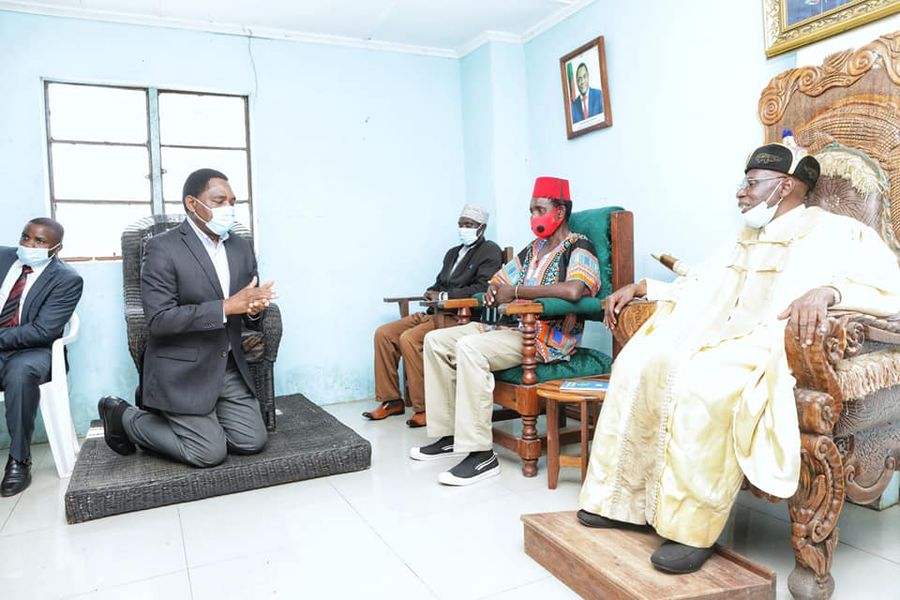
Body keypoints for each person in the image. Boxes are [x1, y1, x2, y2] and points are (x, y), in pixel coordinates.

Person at [577, 140, 900, 574]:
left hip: (769, 341)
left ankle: (690, 529)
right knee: (638, 363)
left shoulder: (837, 231)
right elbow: (702, 283)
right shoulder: (747, 236)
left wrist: (830, 292)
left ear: (784, 186)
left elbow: (889, 284)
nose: (741, 193)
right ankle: (618, 501)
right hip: (719, 334)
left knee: (704, 384)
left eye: (751, 184)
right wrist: (647, 289)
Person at [410, 177, 600, 485]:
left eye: (540, 209)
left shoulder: (578, 246)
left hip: (544, 338)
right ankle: (449, 435)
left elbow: (576, 290)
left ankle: (481, 455)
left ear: (560, 212)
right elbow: (498, 281)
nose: (534, 217)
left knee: (469, 348)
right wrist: (493, 292)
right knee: (435, 341)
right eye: (531, 210)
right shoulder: (533, 249)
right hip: (507, 328)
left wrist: (517, 292)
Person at [98, 168, 277, 468]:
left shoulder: (240, 246)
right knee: (209, 453)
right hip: (182, 370)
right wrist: (225, 307)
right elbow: (159, 319)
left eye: (232, 202)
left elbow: (245, 303)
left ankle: (205, 419)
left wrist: (254, 310)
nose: (228, 209)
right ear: (192, 204)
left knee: (252, 442)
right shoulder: (162, 248)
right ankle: (123, 416)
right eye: (218, 201)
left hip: (226, 364)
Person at [364, 204, 502, 428]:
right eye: (461, 224)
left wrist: (445, 295)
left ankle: (426, 408)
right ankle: (391, 400)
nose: (463, 229)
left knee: (410, 339)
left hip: (459, 316)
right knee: (384, 334)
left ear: (482, 228)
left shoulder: (490, 251)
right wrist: (432, 292)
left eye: (469, 225)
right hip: (434, 312)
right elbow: (439, 283)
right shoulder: (452, 253)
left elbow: (482, 288)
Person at [0, 217, 83, 496]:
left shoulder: (67, 279)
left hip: (33, 352)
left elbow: (42, 331)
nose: (29, 245)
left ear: (56, 248)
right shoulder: (3, 258)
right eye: (26, 237)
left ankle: (19, 459)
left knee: (21, 374)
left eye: (39, 241)